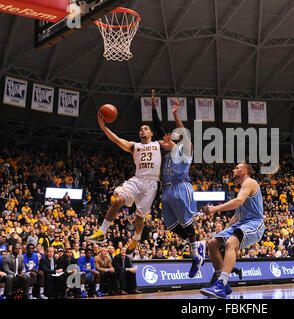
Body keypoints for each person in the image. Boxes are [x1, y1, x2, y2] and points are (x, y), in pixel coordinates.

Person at [87, 90, 167, 258]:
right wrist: (104, 128)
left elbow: (160, 127)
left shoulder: (159, 145)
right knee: (119, 200)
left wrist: (154, 107)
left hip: (152, 184)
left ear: (151, 134)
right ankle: (101, 232)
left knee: (139, 218)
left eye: (146, 129)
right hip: (137, 179)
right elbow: (116, 140)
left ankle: (137, 238)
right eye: (141, 129)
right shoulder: (134, 146)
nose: (142, 130)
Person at [201, 163, 265, 298]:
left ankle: (221, 284)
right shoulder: (242, 188)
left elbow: (239, 202)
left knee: (231, 243)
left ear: (245, 170)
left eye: (237, 168)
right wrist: (226, 230)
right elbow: (237, 214)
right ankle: (223, 284)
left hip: (254, 224)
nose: (233, 170)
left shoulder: (250, 182)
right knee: (213, 243)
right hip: (241, 224)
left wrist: (214, 209)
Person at [159, 101, 205, 278]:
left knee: (187, 222)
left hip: (180, 186)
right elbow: (157, 143)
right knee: (171, 226)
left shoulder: (186, 149)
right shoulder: (168, 150)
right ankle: (196, 246)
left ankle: (195, 252)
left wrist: (176, 115)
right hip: (167, 190)